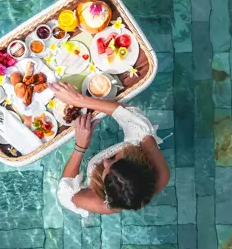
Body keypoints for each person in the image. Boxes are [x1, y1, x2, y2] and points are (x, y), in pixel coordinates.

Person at [51, 81, 170, 216]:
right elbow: (129, 116)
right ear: (136, 160)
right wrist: (78, 100)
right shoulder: (161, 171)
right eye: (114, 162)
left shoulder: (101, 203)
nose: (105, 161)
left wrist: (80, 146)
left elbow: (65, 195)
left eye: (106, 169)